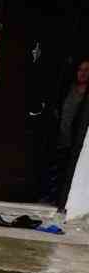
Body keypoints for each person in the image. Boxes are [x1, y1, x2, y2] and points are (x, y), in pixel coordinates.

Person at [42, 58, 89, 206]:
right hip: (60, 136)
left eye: (87, 70)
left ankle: (60, 201)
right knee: (52, 169)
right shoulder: (68, 89)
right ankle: (46, 196)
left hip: (75, 141)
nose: (83, 73)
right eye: (80, 70)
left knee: (66, 171)